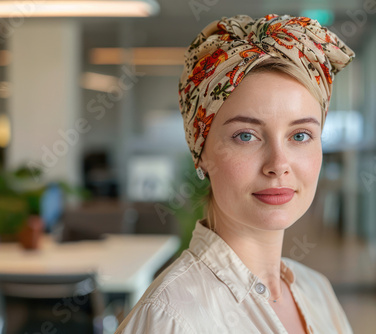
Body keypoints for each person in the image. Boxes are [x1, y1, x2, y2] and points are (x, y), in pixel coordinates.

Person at [115, 13, 355, 333]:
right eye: (246, 136)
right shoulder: (170, 319)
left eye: (300, 136)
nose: (278, 164)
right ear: (201, 152)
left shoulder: (317, 292)